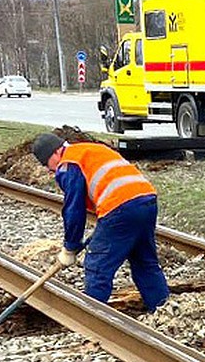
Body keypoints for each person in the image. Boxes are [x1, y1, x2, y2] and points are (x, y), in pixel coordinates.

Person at [30, 133, 170, 312]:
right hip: (146, 200)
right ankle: (163, 309)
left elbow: (74, 209)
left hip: (120, 205)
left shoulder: (68, 164)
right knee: (144, 261)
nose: (49, 170)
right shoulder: (91, 149)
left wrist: (70, 247)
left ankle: (95, 322)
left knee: (97, 265)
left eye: (46, 163)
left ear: (56, 153)